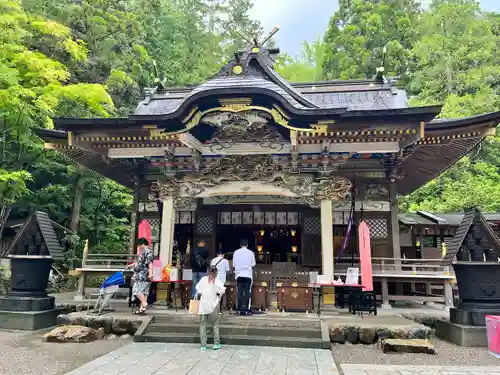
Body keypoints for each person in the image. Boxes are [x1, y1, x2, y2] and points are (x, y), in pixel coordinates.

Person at [195, 266, 225, 351]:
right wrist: (219, 298)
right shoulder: (217, 280)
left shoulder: (203, 279)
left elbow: (198, 291)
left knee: (202, 325)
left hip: (203, 305)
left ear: (208, 271)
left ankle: (203, 345)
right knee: (215, 325)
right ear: (216, 272)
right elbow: (222, 290)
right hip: (213, 305)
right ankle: (216, 343)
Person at [128, 238, 153, 315]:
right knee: (144, 292)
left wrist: (150, 273)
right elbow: (139, 262)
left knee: (136, 290)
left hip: (143, 274)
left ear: (142, 244)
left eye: (139, 245)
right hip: (140, 274)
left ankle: (144, 304)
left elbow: (150, 263)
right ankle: (142, 309)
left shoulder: (148, 251)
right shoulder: (142, 252)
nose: (139, 246)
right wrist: (132, 265)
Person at [232, 239, 256, 315]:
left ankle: (239, 309)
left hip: (239, 274)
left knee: (239, 292)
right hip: (247, 275)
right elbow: (253, 264)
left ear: (240, 245)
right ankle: (246, 309)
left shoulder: (236, 252)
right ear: (247, 245)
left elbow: (233, 264)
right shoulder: (251, 253)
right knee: (247, 292)